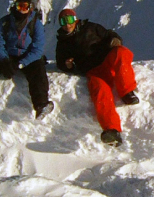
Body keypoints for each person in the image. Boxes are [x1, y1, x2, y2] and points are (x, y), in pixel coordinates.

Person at [54, 8, 138, 146]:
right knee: (100, 92)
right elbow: (60, 62)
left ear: (75, 19)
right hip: (94, 71)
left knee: (122, 53)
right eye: (63, 21)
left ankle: (127, 92)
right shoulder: (63, 42)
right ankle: (112, 131)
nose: (67, 25)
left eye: (69, 20)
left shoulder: (91, 28)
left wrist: (115, 40)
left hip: (108, 60)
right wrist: (67, 65)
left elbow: (110, 34)